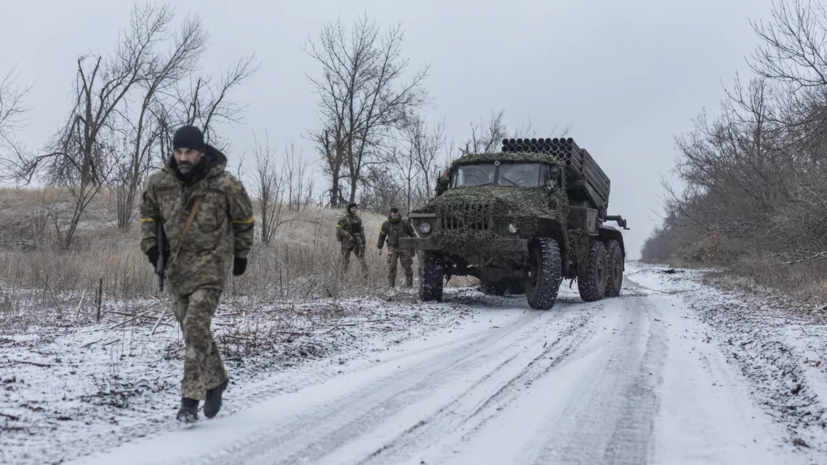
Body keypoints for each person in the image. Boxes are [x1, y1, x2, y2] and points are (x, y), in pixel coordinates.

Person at [139, 125, 254, 423]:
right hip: (176, 269)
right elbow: (148, 217)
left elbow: (244, 219)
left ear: (201, 151)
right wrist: (151, 248)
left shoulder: (224, 184)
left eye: (189, 151)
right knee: (193, 331)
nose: (183, 157)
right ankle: (216, 380)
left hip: (211, 265)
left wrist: (240, 255)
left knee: (195, 324)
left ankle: (189, 399)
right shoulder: (159, 183)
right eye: (179, 151)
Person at [377, 207, 417, 288]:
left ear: (398, 213)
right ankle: (391, 286)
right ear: (390, 214)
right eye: (393, 215)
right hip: (392, 247)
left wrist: (415, 246)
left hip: (405, 247)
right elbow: (382, 236)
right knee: (392, 266)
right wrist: (379, 247)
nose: (395, 217)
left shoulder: (405, 222)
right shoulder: (386, 224)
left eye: (396, 215)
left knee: (407, 265)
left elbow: (413, 234)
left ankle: (409, 284)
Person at [337, 203, 369, 278]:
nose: (354, 209)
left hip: (357, 243)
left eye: (355, 208)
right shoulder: (344, 218)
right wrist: (348, 236)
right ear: (349, 209)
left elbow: (361, 232)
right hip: (347, 243)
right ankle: (342, 278)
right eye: (352, 208)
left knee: (362, 260)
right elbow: (339, 229)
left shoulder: (358, 219)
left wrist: (364, 242)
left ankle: (366, 278)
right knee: (345, 261)